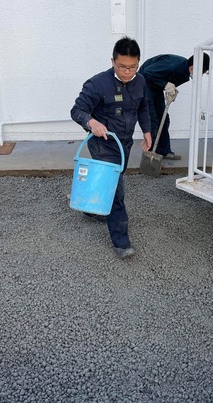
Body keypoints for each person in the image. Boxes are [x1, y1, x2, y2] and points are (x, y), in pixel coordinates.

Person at [71, 36, 152, 259]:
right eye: (122, 67)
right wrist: (91, 122)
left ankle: (92, 208)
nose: (128, 72)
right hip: (104, 145)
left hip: (124, 143)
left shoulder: (140, 81)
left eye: (133, 67)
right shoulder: (97, 84)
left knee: (112, 180)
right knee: (116, 189)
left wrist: (147, 130)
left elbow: (143, 106)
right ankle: (121, 241)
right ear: (113, 61)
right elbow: (77, 110)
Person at [138, 53, 210, 160]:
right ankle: (152, 155)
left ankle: (164, 151)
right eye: (202, 72)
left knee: (164, 119)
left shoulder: (184, 70)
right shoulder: (173, 65)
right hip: (144, 84)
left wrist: (169, 89)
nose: (202, 75)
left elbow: (165, 78)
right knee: (153, 120)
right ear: (193, 67)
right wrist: (165, 84)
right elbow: (147, 72)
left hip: (155, 86)